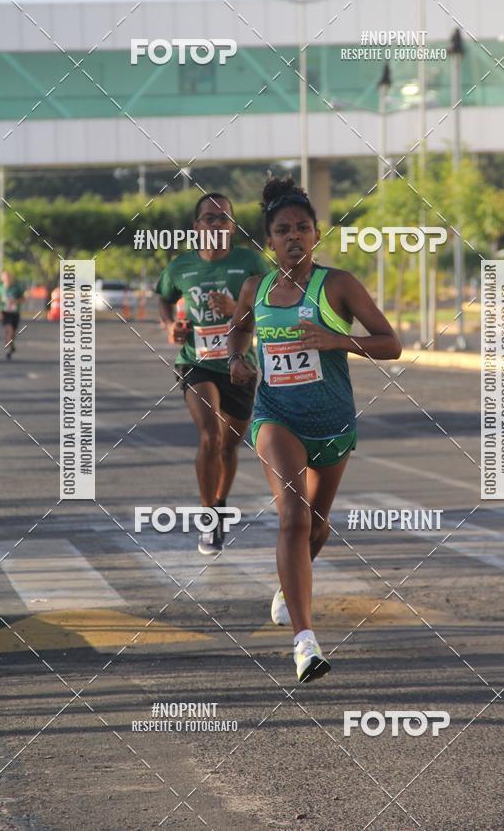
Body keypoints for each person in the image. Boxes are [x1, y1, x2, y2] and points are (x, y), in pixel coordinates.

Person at [226, 177, 401, 683]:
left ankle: (288, 586)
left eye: (303, 227)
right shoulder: (255, 289)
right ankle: (305, 643)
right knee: (293, 521)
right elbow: (239, 328)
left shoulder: (338, 284)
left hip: (334, 423)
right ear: (270, 241)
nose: (294, 236)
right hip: (276, 416)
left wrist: (336, 339)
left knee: (317, 526)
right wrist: (238, 359)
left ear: (317, 234)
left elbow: (391, 343)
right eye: (283, 230)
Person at [157, 192, 269, 555]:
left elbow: (273, 301)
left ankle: (219, 502)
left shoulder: (250, 262)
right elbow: (163, 296)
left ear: (233, 226)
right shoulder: (180, 267)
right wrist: (169, 323)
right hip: (196, 361)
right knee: (210, 437)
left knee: (229, 444)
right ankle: (208, 518)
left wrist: (238, 307)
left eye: (223, 218)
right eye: (209, 218)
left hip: (239, 364)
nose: (216, 224)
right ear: (196, 227)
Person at [0, 270, 25, 360]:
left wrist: (15, 301)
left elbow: (23, 299)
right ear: (2, 278)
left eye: (9, 276)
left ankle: (11, 345)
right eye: (5, 277)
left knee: (13, 333)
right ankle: (7, 349)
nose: (7, 278)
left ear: (11, 278)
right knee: (8, 330)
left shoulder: (17, 287)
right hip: (5, 312)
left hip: (15, 313)